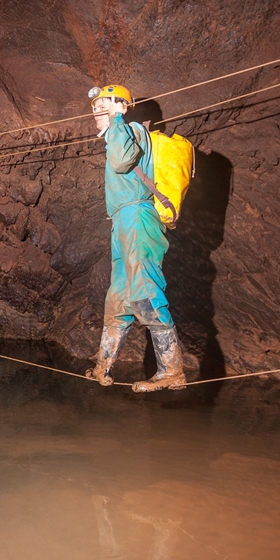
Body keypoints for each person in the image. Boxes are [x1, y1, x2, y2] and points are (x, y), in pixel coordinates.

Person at [86, 84, 185, 392]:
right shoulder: (120, 133)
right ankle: (103, 365)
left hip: (138, 219)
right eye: (95, 108)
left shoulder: (130, 131)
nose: (97, 113)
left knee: (144, 292)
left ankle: (172, 371)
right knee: (118, 297)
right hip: (122, 222)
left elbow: (122, 161)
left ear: (122, 107)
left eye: (104, 106)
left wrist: (116, 119)